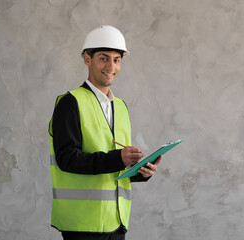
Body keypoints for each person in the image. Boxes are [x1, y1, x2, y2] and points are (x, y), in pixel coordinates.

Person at [48, 25, 162, 240]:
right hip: (82, 224)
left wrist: (139, 172)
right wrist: (118, 158)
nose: (111, 66)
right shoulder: (70, 103)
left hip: (116, 221)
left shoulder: (120, 106)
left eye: (117, 59)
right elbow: (67, 158)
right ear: (87, 59)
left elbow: (114, 167)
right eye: (103, 58)